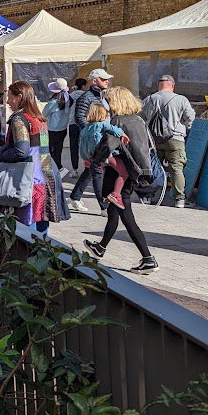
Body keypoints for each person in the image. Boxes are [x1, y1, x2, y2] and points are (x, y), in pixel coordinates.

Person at [83, 86, 158, 274]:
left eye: (108, 100)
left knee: (126, 215)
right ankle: (100, 247)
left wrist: (95, 160)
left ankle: (148, 258)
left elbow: (108, 145)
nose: (106, 104)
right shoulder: (138, 120)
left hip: (120, 174)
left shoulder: (118, 121)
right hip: (134, 171)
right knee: (114, 212)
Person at [0, 81, 68, 233]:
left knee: (26, 229)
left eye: (10, 97)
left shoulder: (20, 119)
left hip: (29, 180)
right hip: (47, 176)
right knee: (42, 226)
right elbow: (42, 149)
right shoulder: (39, 118)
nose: (7, 101)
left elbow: (22, 151)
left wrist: (1, 156)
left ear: (19, 97)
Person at [141, 75, 196, 208]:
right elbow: (190, 117)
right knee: (176, 168)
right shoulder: (181, 99)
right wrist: (185, 124)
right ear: (172, 85)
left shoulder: (149, 99)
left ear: (158, 85)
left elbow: (141, 118)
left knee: (153, 168)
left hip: (154, 139)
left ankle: (148, 196)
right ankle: (179, 200)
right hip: (175, 139)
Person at [68, 69, 115, 213]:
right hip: (95, 141)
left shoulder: (102, 96)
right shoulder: (86, 97)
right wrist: (93, 132)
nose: (107, 81)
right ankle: (104, 207)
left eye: (107, 79)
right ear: (94, 80)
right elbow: (79, 118)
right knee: (97, 171)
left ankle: (75, 197)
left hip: (103, 139)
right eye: (103, 79)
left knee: (91, 170)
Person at [79, 104, 131, 209]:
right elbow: (113, 128)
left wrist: (85, 158)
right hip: (106, 156)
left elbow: (81, 146)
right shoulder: (101, 125)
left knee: (101, 178)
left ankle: (105, 199)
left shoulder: (85, 129)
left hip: (94, 159)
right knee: (124, 173)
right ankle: (116, 194)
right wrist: (123, 134)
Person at [45, 78, 73, 174]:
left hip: (52, 130)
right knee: (58, 149)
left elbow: (43, 114)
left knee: (50, 150)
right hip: (63, 129)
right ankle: (58, 167)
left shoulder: (53, 103)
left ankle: (56, 168)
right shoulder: (68, 100)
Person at [67, 78, 88, 174]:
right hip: (84, 123)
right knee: (86, 146)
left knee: (73, 146)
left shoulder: (70, 96)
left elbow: (67, 109)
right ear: (83, 86)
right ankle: (88, 168)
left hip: (73, 123)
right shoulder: (87, 95)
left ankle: (74, 169)